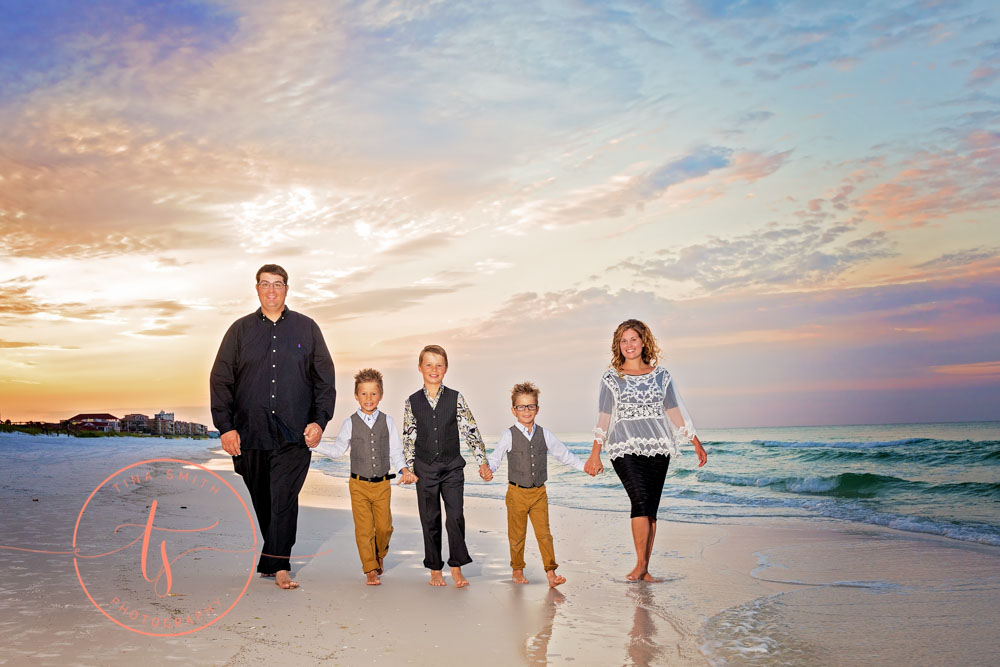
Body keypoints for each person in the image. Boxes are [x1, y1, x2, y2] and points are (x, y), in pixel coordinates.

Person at [209, 264, 336, 590]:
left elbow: (324, 380)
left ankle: (280, 567)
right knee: (264, 499)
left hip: (294, 433)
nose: (271, 290)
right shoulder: (239, 331)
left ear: (286, 289)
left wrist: (320, 422)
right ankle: (272, 559)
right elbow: (221, 379)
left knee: (283, 498)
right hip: (250, 431)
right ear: (257, 289)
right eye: (265, 284)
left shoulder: (307, 329)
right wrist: (225, 427)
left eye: (277, 284)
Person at [583, 318, 707, 582]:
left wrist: (694, 441)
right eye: (623, 340)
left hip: (658, 447)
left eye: (633, 339)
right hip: (624, 446)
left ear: (643, 342)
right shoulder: (611, 378)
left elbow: (673, 410)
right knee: (639, 500)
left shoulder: (661, 376)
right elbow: (604, 415)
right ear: (618, 345)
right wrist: (595, 453)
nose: (629, 345)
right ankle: (640, 565)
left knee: (650, 508)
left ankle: (645, 568)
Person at [480, 381, 595, 587]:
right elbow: (496, 458)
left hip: (539, 492)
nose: (526, 410)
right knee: (517, 535)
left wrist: (583, 466)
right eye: (521, 406)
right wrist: (488, 469)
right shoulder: (509, 435)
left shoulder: (545, 434)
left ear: (537, 409)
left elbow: (564, 455)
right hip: (516, 493)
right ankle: (517, 569)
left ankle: (551, 573)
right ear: (513, 410)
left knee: (544, 534)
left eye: (530, 406)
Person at [312, 368, 415, 585]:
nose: (369, 398)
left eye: (373, 393)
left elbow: (396, 452)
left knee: (385, 527)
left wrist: (404, 469)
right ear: (356, 396)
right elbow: (338, 450)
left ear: (381, 395)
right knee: (364, 529)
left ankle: (380, 554)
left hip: (382, 485)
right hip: (358, 485)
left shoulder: (388, 421)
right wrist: (314, 446)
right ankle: (369, 568)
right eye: (364, 394)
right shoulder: (350, 423)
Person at [401, 344, 486, 588]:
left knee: (455, 516)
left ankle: (457, 566)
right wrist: (407, 468)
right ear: (420, 368)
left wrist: (482, 461)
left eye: (439, 364)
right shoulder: (412, 402)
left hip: (451, 469)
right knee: (430, 519)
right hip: (424, 468)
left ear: (446, 368)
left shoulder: (456, 398)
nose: (434, 369)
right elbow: (408, 437)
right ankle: (435, 568)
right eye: (429, 364)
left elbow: (470, 431)